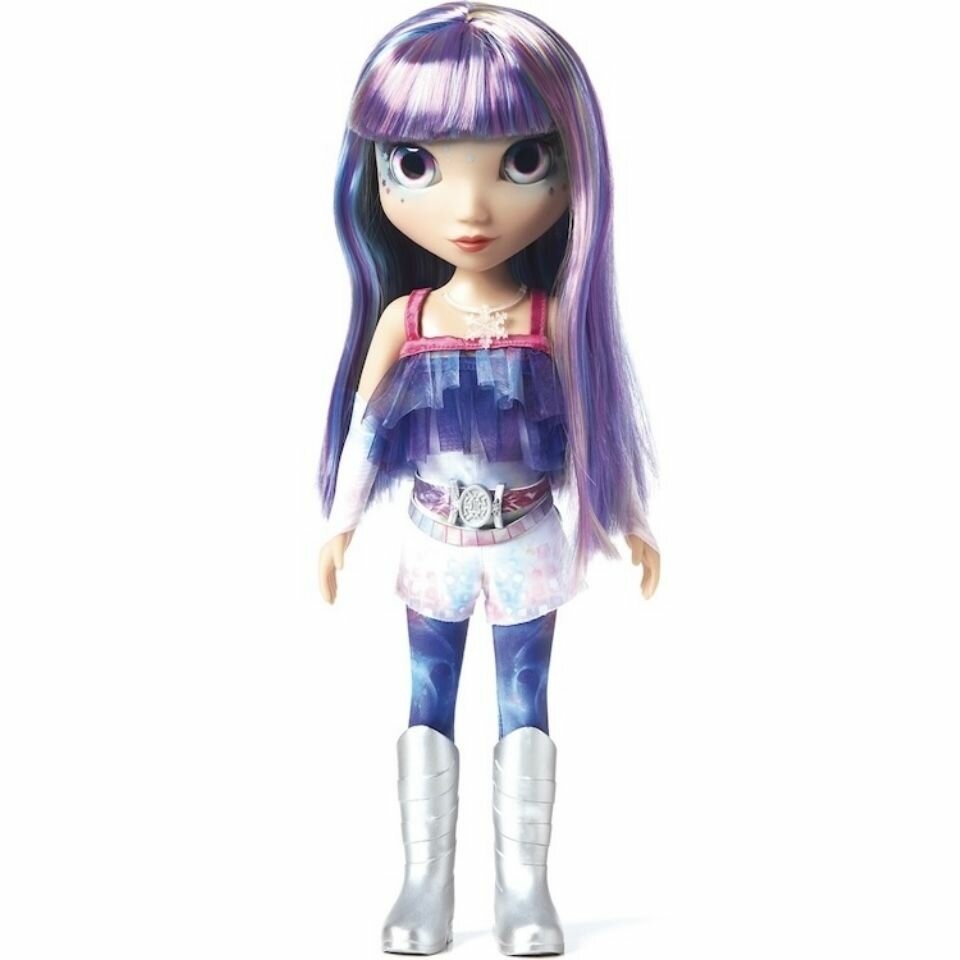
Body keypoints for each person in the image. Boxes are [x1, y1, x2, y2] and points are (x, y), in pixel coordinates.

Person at [316, 3, 661, 954]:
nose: (469, 212)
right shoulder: (408, 320)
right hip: (434, 540)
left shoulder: (553, 320)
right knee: (426, 698)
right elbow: (366, 430)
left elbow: (594, 431)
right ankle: (424, 882)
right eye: (416, 163)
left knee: (524, 705)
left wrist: (628, 516)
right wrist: (340, 525)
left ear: (572, 170)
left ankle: (523, 888)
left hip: (526, 541)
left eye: (522, 161)